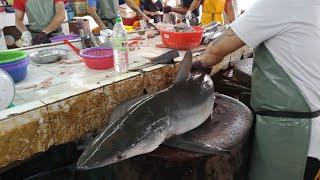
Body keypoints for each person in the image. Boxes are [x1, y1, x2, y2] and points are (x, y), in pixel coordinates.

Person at [192, 0, 320, 179]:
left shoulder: (281, 4)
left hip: (291, 136)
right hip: (309, 133)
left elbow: (217, 49)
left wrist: (197, 66)